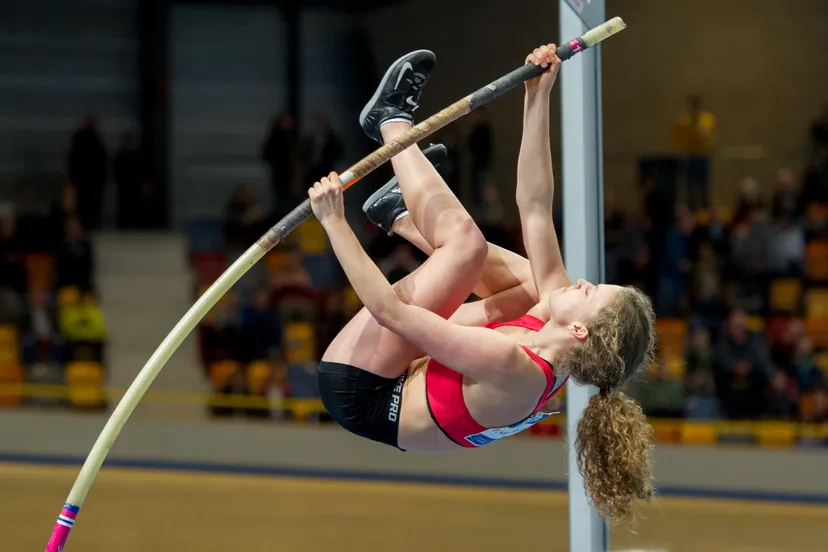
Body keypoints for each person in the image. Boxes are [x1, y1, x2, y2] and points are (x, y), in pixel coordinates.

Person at [307, 45, 657, 522]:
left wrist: (334, 222)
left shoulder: (513, 365)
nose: (582, 283)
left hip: (363, 391)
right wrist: (537, 97)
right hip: (421, 369)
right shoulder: (557, 334)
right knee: (535, 283)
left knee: (465, 246)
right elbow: (535, 207)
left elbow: (390, 312)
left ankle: (389, 122)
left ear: (580, 330)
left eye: (591, 293)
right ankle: (402, 215)